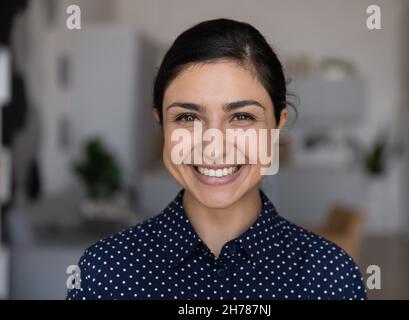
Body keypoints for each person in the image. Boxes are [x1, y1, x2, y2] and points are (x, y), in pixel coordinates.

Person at [67, 18, 366, 300]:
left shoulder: (330, 277)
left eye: (241, 117)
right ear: (161, 124)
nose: (214, 148)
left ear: (277, 126)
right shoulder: (103, 272)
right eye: (187, 117)